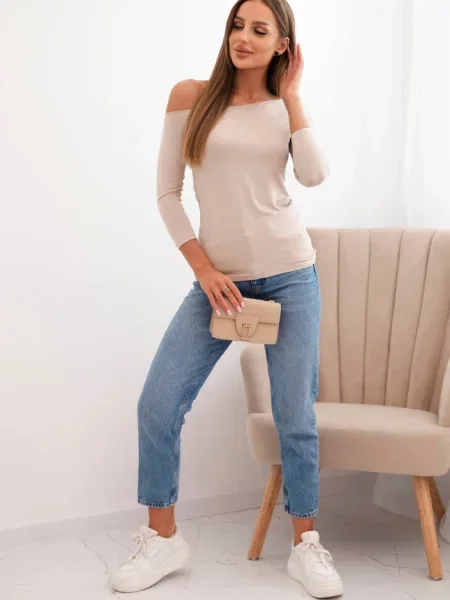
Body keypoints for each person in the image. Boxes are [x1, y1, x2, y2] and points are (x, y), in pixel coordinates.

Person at [110, 0, 343, 597]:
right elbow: (167, 193)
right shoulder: (191, 97)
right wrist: (205, 269)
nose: (243, 37)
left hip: (291, 276)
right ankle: (163, 538)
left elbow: (314, 175)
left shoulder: (284, 106)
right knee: (158, 405)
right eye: (238, 25)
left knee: (295, 417)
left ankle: (306, 546)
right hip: (218, 282)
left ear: (282, 45)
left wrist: (292, 96)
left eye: (260, 30)